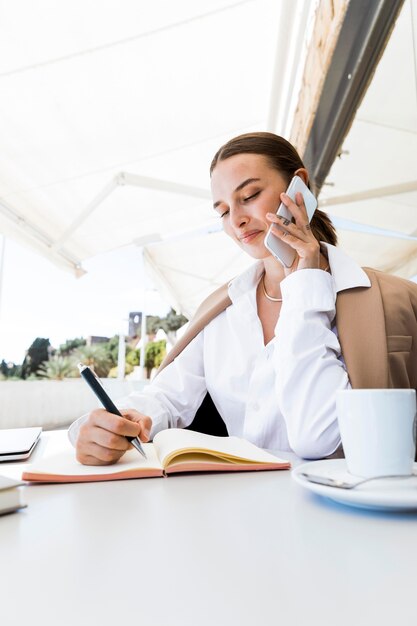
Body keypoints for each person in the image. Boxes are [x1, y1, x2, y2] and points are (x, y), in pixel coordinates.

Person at [69, 132, 417, 465]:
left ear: (299, 187)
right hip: (240, 511)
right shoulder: (221, 311)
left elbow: (317, 437)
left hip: (351, 517)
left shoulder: (395, 298)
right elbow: (165, 397)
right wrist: (113, 424)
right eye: (222, 211)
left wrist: (306, 278)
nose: (236, 219)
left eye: (249, 196)